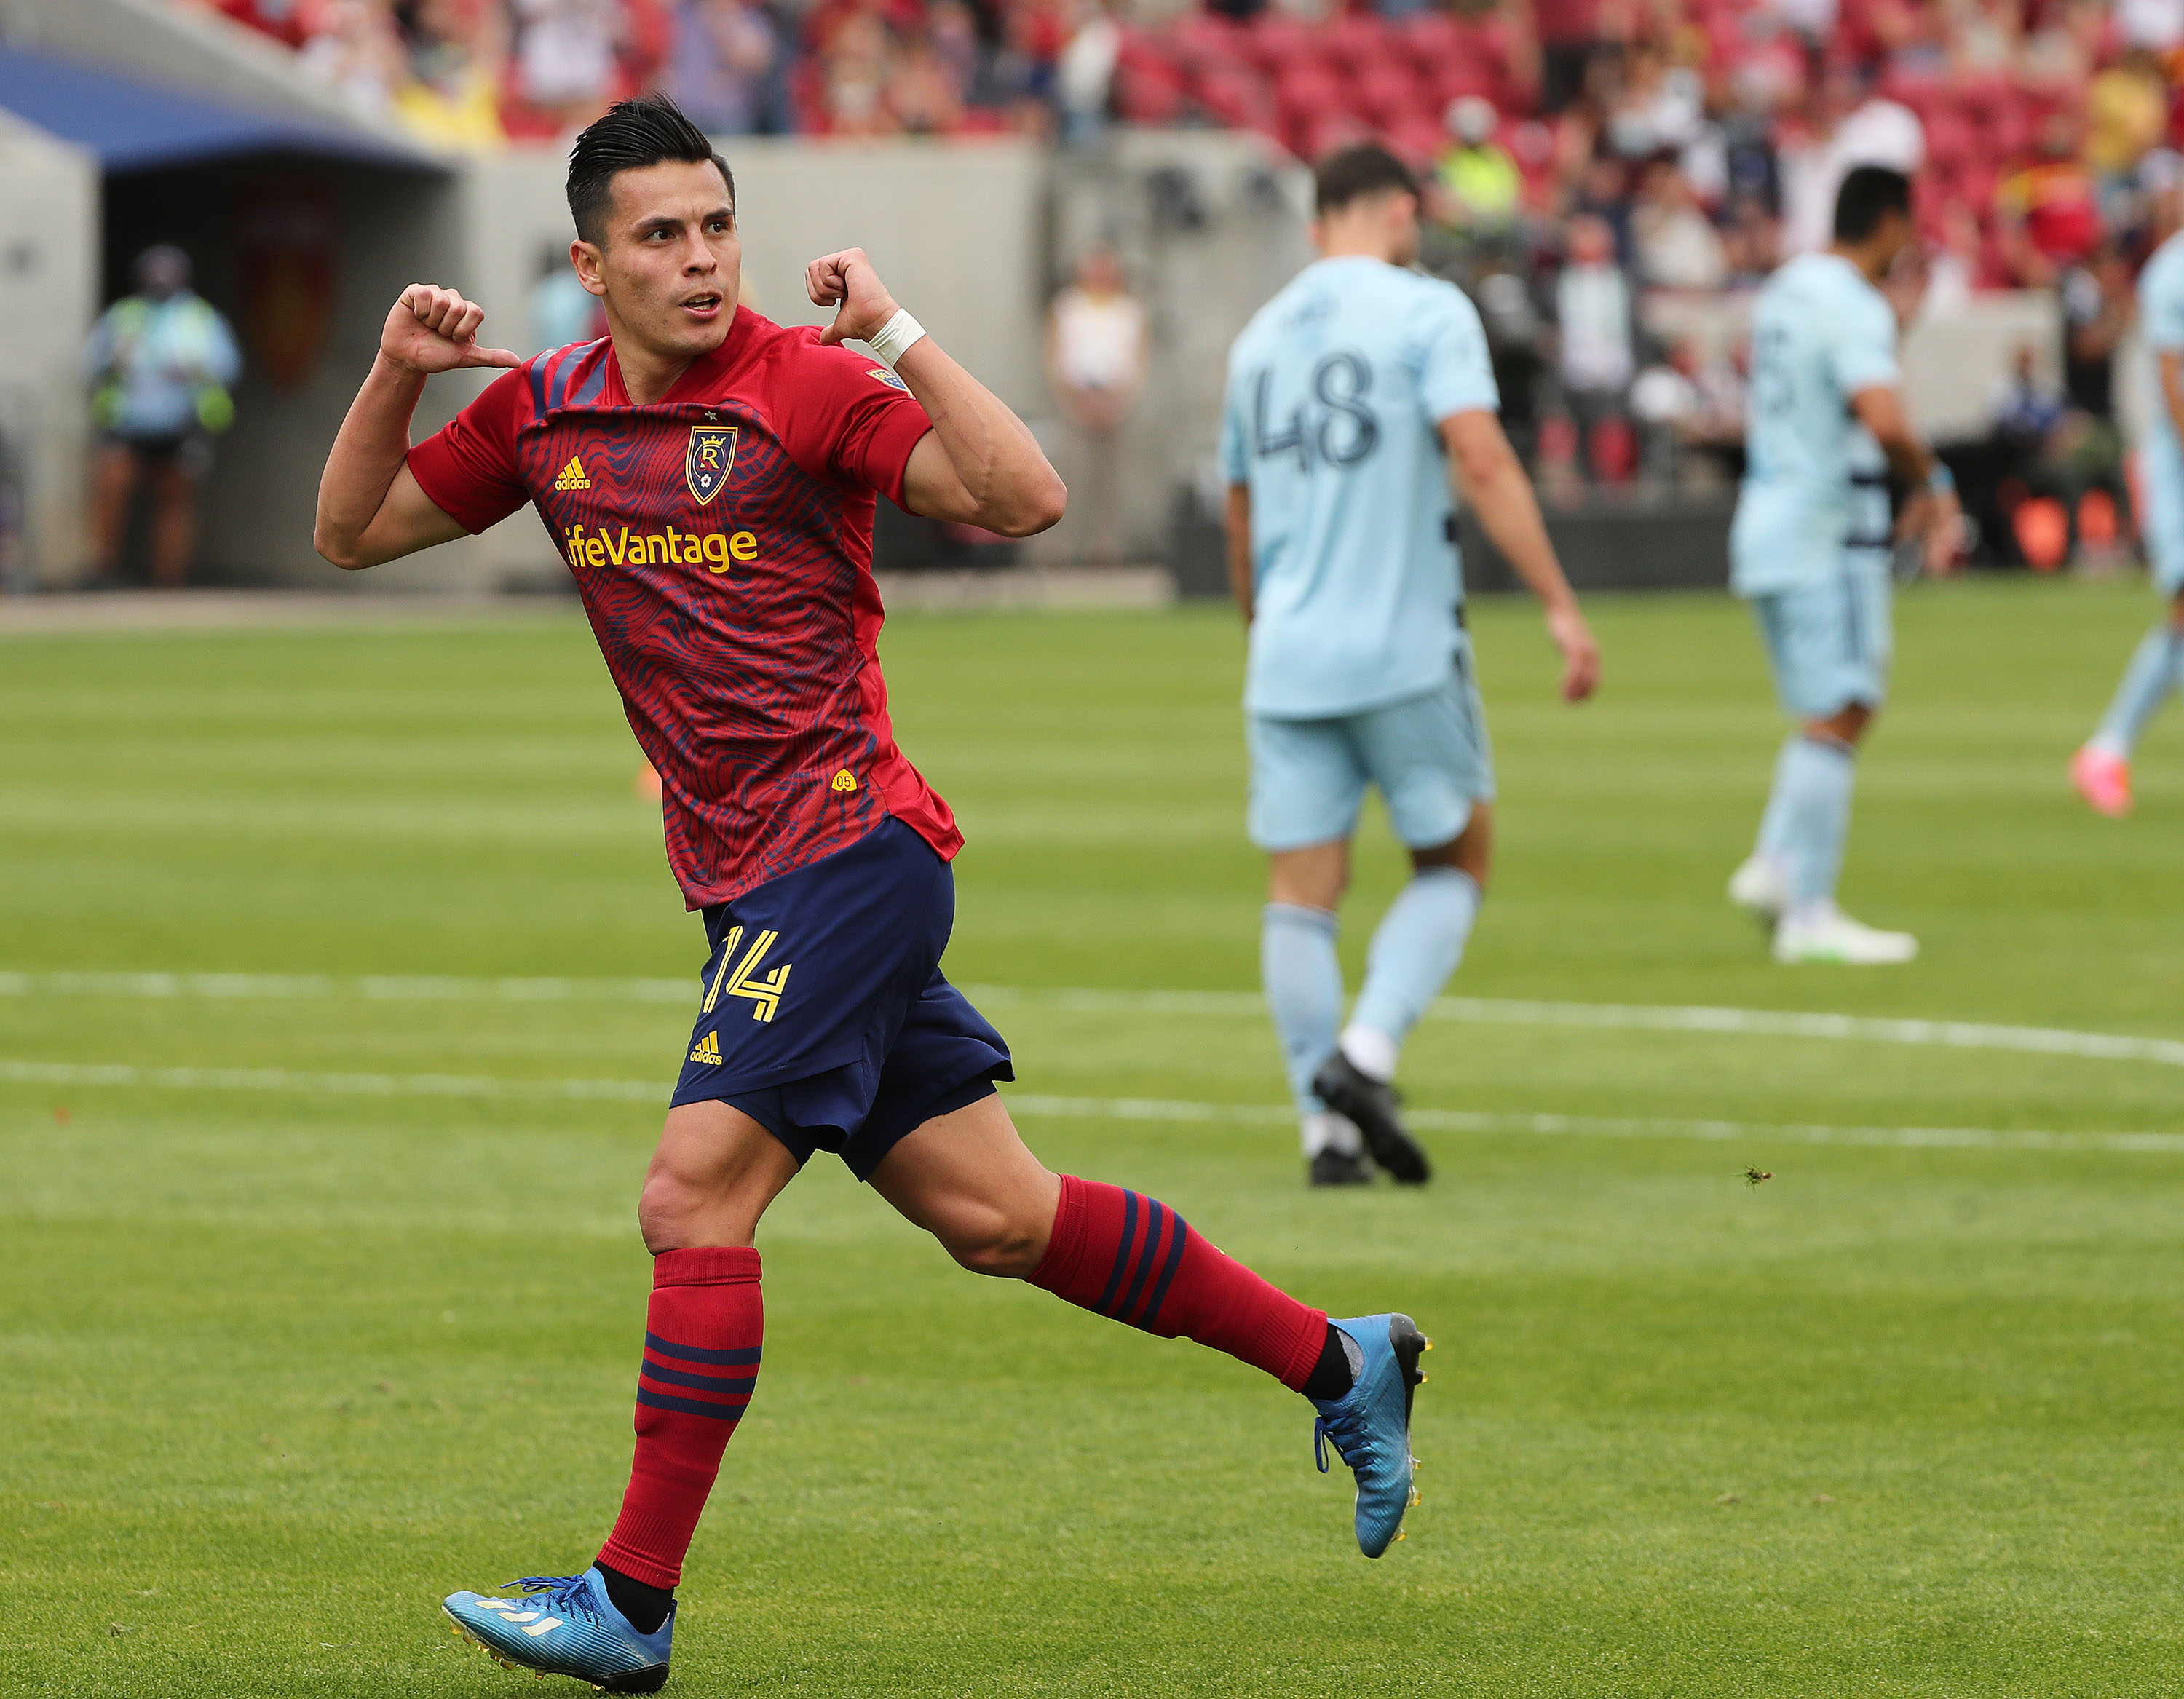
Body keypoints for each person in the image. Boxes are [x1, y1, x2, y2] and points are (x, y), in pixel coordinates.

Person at [312, 95, 1428, 1692]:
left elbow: (1025, 495)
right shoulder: (545, 415)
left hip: (846, 856)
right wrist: (396, 374)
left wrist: (897, 328)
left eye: (716, 227)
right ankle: (1344, 1358)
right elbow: (350, 532)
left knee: (692, 1196)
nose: (700, 262)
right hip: (751, 886)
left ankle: (630, 1604)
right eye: (661, 237)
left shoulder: (802, 384)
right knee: (1002, 1218)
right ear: (590, 263)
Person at [1220, 143, 1600, 1189]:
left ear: (1315, 226)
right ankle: (1368, 1052)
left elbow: (1240, 508)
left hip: (1289, 653)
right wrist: (1561, 605)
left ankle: (1324, 1133)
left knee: (1302, 890)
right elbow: (1480, 456)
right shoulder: (1428, 311)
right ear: (1400, 211)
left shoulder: (1257, 340)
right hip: (1402, 644)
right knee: (1457, 859)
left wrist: (1263, 626)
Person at [1725, 165, 1961, 964]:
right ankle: (1799, 896)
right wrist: (1931, 482)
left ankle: (1781, 874)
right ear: (1891, 222)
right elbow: (1881, 412)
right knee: (1849, 704)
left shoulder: (1789, 287)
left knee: (1827, 710)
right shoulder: (1851, 301)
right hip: (1827, 528)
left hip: (1765, 520)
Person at [2071, 191, 2184, 816]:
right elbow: (2173, 375)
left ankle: (2107, 749)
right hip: (2176, 471)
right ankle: (2107, 747)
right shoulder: (2172, 271)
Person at [84, 245, 242, 588]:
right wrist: (114, 358)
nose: (160, 280)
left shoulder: (201, 318)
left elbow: (229, 366)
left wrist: (194, 368)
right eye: (154, 273)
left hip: (180, 424)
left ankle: (168, 580)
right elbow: (90, 362)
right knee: (113, 491)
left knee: (174, 501)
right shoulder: (124, 315)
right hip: (127, 423)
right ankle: (105, 572)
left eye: (169, 273)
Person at [1045, 245, 1146, 563]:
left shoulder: (1129, 310)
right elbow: (1055, 353)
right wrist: (1071, 400)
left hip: (1115, 402)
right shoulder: (1067, 307)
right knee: (1067, 475)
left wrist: (1122, 400)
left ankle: (1105, 545)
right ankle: (1062, 545)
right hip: (1077, 401)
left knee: (1109, 479)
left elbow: (1139, 358)